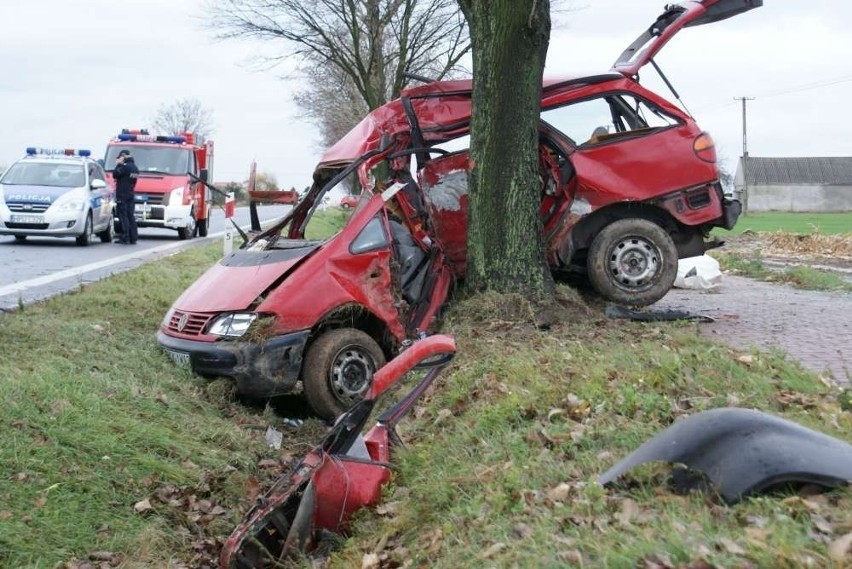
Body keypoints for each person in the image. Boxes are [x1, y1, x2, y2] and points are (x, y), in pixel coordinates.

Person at [113, 149, 139, 244]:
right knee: (130, 216)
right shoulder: (135, 168)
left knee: (123, 216)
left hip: (122, 194)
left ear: (124, 156)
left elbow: (115, 175)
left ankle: (125, 236)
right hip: (130, 194)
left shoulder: (124, 167)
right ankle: (133, 237)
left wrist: (119, 164)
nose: (119, 159)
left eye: (120, 157)